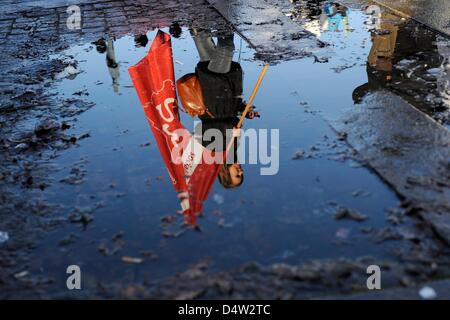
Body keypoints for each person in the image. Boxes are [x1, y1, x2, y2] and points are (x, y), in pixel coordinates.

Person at [190, 28, 259, 188]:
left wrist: (230, 129)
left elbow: (203, 129)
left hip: (215, 88)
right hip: (224, 86)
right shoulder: (232, 151)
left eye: (237, 175)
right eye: (241, 174)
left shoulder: (213, 154)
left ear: (226, 173)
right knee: (205, 43)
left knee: (226, 48)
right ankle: (196, 19)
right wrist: (246, 112)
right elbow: (232, 113)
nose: (240, 171)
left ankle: (225, 19)